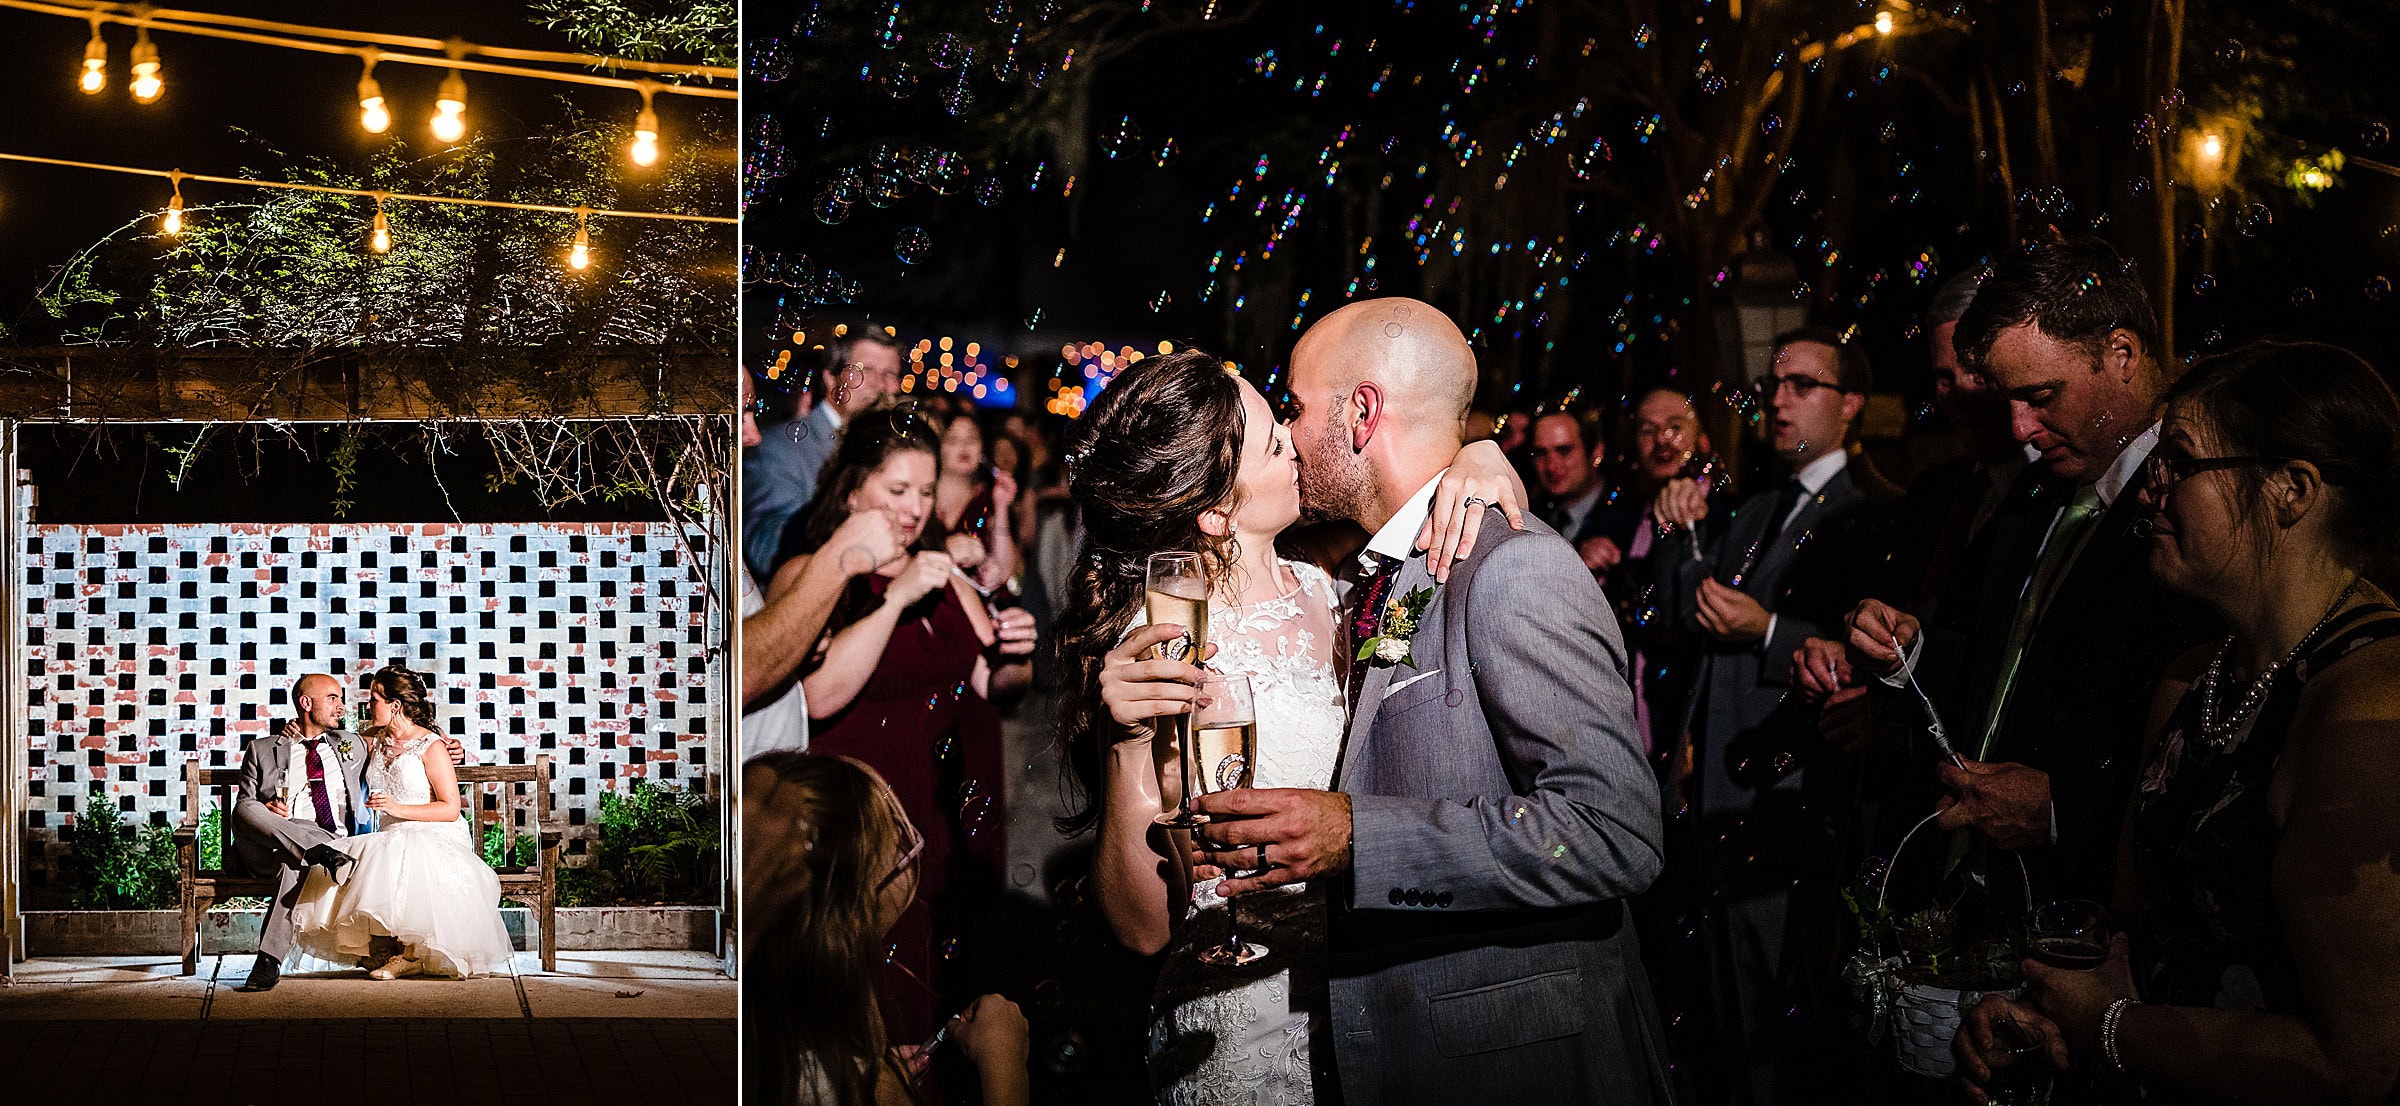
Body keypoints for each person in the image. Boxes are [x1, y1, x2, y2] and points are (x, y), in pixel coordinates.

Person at [1177, 298, 1670, 1105]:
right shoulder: (1396, 572)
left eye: (1296, 410)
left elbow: (1615, 832)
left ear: (1362, 412)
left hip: (1521, 1065)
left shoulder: (1513, 569)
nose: (1290, 439)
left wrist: (1357, 835)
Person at [1057, 346, 1531, 1104]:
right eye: (1276, 441)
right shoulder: (1165, 643)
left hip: (1375, 991)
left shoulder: (1341, 594)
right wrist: (1127, 746)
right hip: (1244, 1018)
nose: (1296, 439)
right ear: (1217, 509)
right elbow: (1144, 930)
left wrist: (1478, 455)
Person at [1955, 340, 2400, 1105]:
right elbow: (2136, 941)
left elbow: (2362, 1062)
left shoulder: (2369, 702)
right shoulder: (2192, 677)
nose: (2152, 489)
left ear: (2291, 490)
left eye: (2180, 463)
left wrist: (2109, 1031)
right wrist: (2045, 1016)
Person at [1848, 236, 2220, 902]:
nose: (2020, 427)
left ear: (2122, 354)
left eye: (2042, 396)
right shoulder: (2036, 493)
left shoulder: (2196, 510)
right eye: (2009, 399)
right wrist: (1902, 648)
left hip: (2095, 913)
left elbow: (2207, 744)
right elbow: (1977, 658)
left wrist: (2060, 810)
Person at [1651, 326, 1885, 1105]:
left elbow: (1873, 653)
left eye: (1801, 386)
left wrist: (1774, 632)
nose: (1777, 401)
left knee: (1789, 1034)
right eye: (1772, 387)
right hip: (1716, 798)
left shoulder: (1872, 509)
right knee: (1729, 1019)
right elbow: (1693, 616)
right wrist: (1682, 533)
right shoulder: (1754, 510)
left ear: (1850, 405)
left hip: (1788, 803)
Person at [771, 405, 1039, 1046]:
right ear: (854, 487)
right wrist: (893, 599)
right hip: (854, 833)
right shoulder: (812, 573)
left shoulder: (943, 575)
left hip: (934, 824)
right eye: (898, 490)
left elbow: (989, 685)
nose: (916, 508)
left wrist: (1017, 653)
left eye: (925, 490)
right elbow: (817, 695)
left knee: (926, 1029)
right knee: (858, 1033)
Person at [746, 752, 1029, 1106]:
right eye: (898, 844)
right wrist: (1005, 1066)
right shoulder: (848, 1091)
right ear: (851, 917)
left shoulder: (770, 1054)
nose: (908, 840)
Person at [228, 671, 464, 992]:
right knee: (244, 808)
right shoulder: (263, 748)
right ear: (306, 703)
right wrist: (269, 811)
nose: (343, 706)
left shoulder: (352, 744)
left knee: (292, 864)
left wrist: (450, 746)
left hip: (332, 845)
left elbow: (408, 739)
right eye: (333, 698)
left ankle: (268, 962)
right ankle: (310, 850)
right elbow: (246, 810)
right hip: (268, 847)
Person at [283, 666, 513, 980]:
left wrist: (396, 806)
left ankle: (410, 954)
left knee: (401, 851)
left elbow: (450, 808)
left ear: (395, 705)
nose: (367, 706)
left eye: (374, 699)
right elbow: (326, 738)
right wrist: (294, 729)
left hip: (435, 832)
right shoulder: (373, 740)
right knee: (355, 853)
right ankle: (382, 951)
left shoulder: (431, 746)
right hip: (390, 832)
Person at [747, 328, 903, 581]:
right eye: (866, 371)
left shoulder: (895, 449)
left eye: (890, 374)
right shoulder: (781, 447)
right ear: (831, 378)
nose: (879, 384)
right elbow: (765, 550)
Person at [1529, 410, 1640, 579]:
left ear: (1596, 451)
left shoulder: (1631, 515)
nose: (1551, 466)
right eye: (1541, 453)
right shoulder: (1534, 516)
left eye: (1564, 451)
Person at [931, 412, 1019, 594]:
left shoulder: (987, 501)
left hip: (974, 603)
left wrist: (1002, 506)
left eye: (972, 439)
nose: (964, 447)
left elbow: (1006, 571)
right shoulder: (920, 498)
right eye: (953, 440)